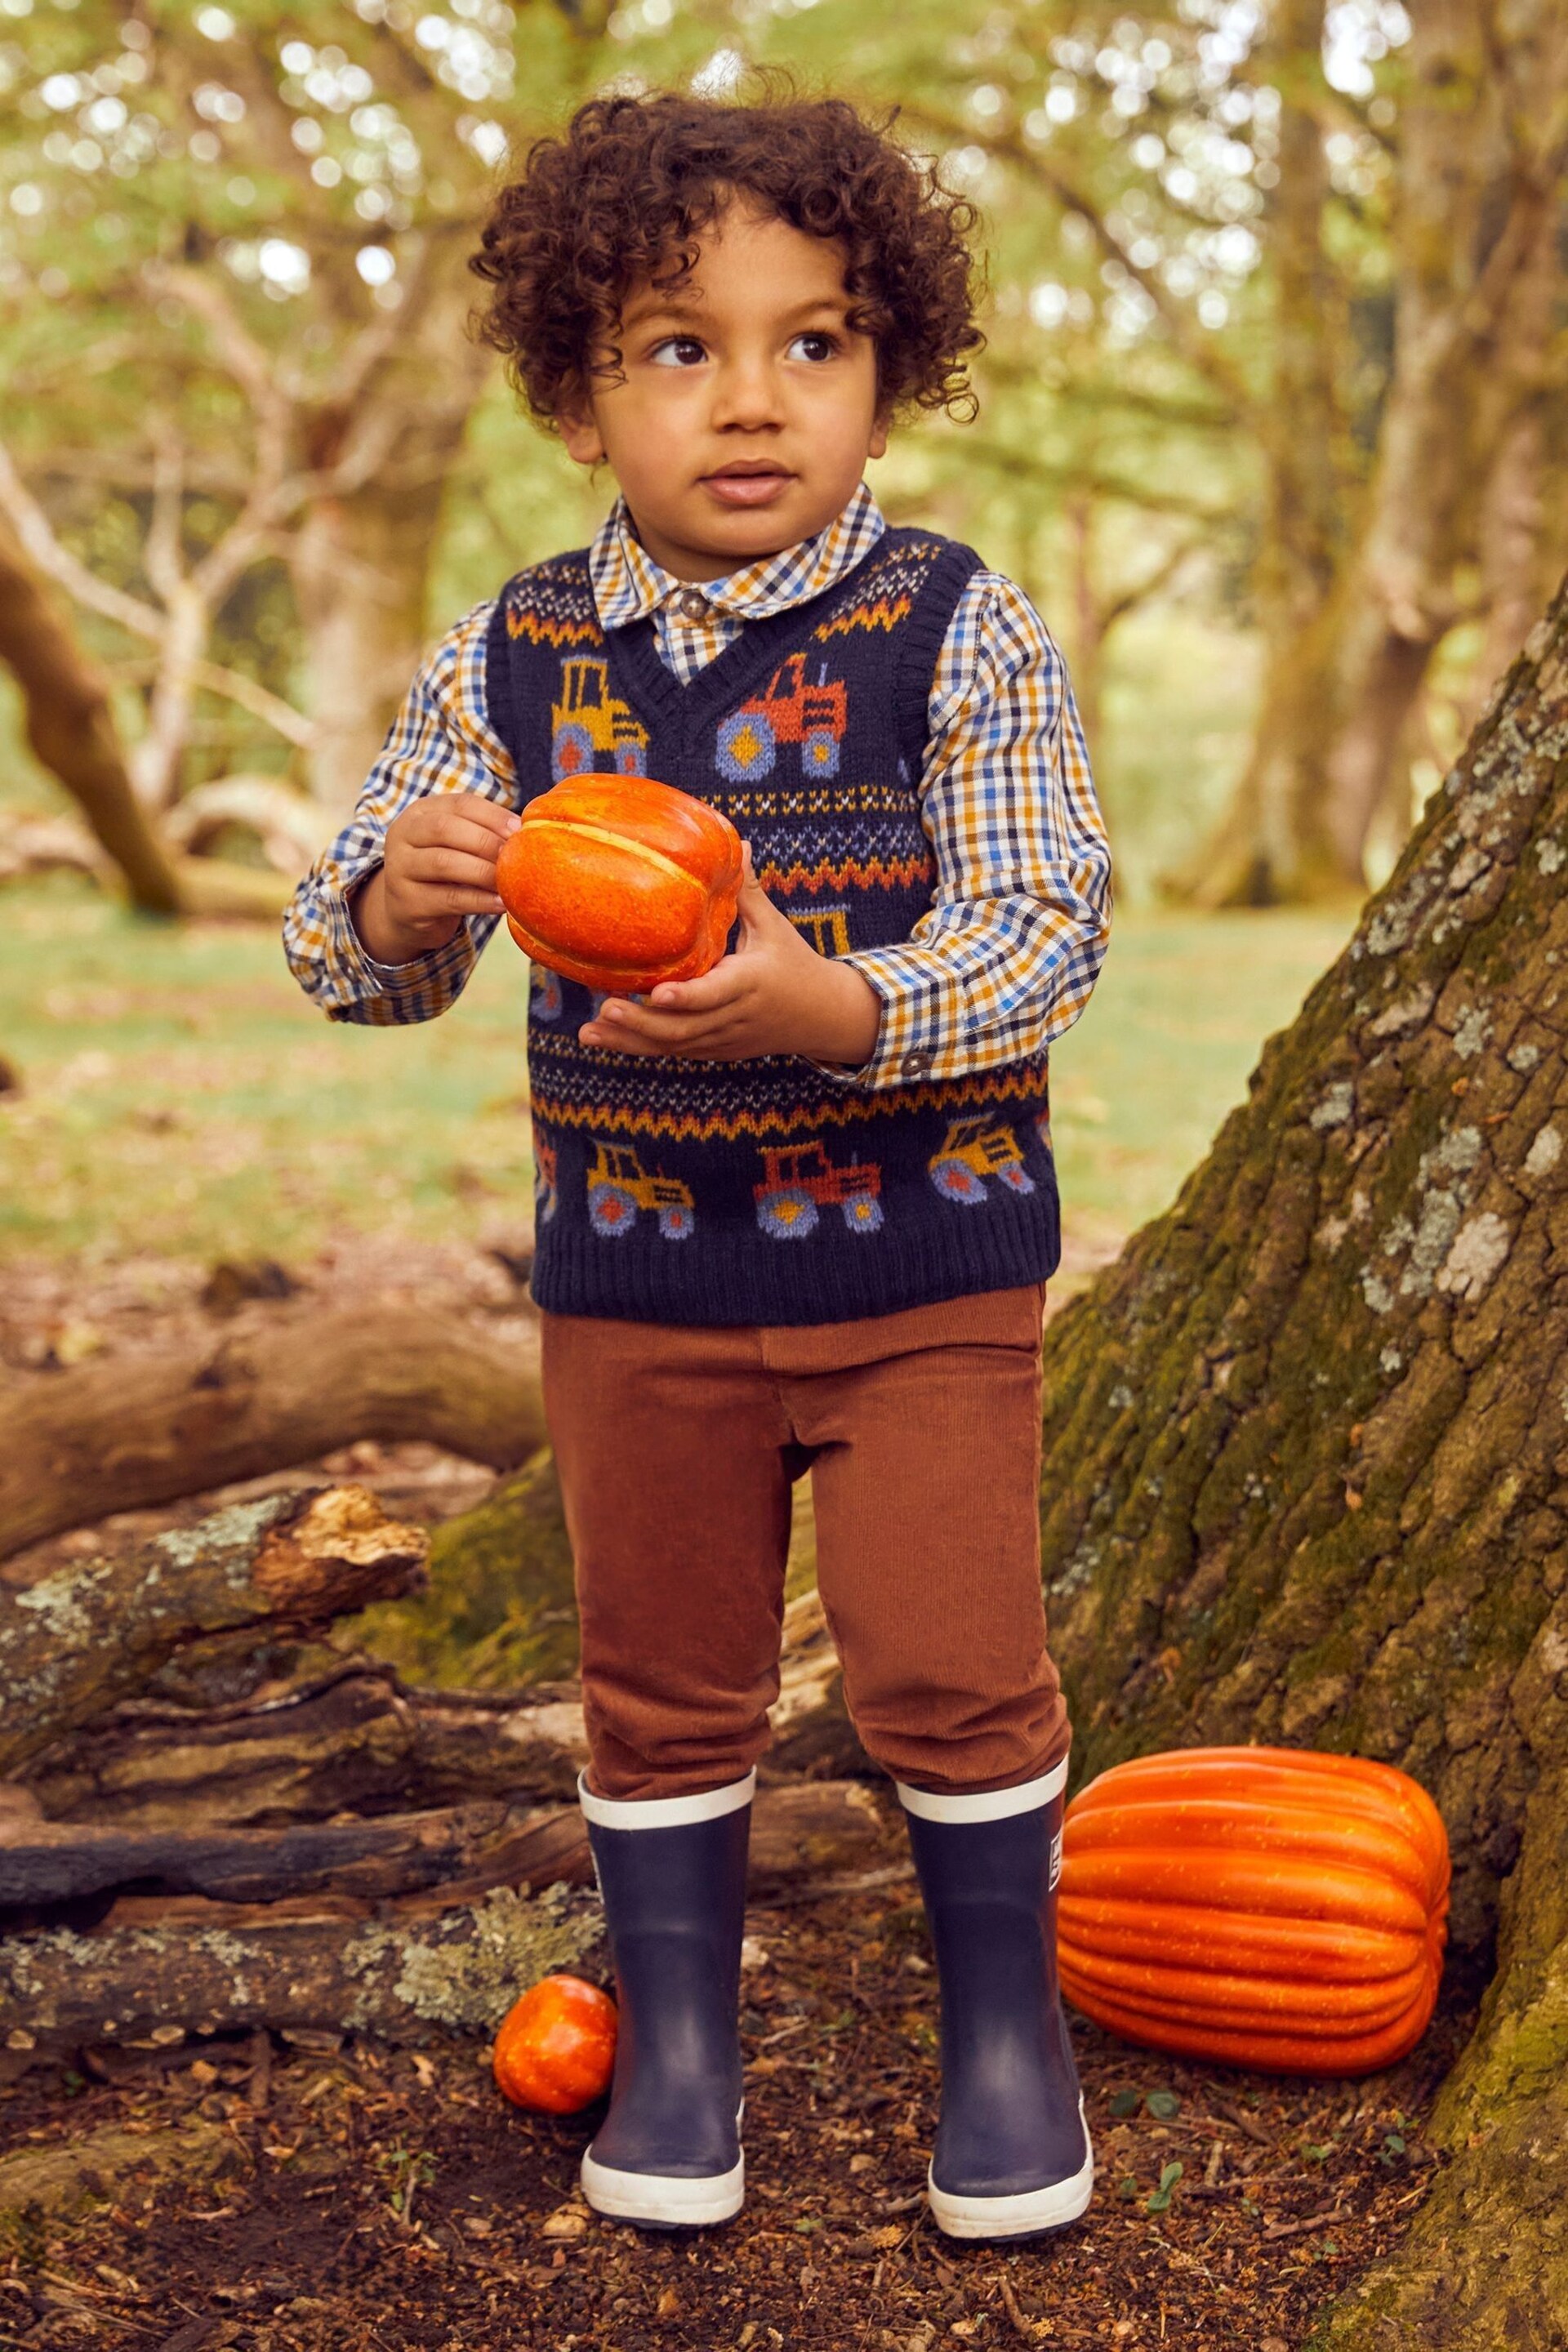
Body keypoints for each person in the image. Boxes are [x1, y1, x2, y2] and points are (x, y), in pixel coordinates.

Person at [283, 87, 1112, 2243]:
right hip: (638, 1285)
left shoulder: (963, 625)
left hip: (925, 1271)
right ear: (577, 392)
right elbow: (347, 957)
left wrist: (828, 1009)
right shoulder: (518, 655)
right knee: (661, 1682)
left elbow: (1046, 931)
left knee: (946, 1665)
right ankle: (678, 2045)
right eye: (679, 347)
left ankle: (1007, 2039)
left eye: (813, 342)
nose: (752, 402)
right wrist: (406, 896)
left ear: (889, 369)